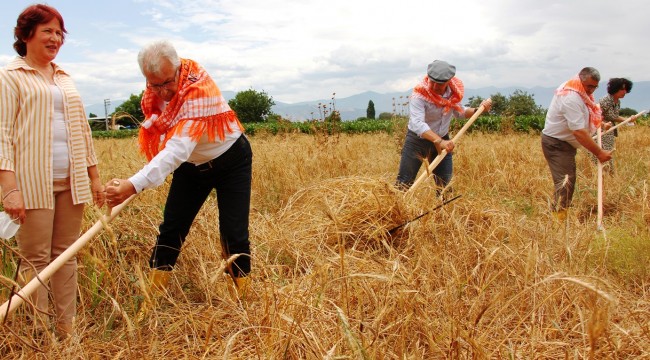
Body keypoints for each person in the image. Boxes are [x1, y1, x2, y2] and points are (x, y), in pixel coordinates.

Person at [104, 40, 253, 314]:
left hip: (231, 160)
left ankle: (243, 301)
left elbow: (176, 150)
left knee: (234, 234)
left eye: (166, 83)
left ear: (177, 68)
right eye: (154, 85)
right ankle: (150, 303)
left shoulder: (198, 90)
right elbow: (168, 141)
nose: (162, 91)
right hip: (191, 166)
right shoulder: (158, 89)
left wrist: (133, 184)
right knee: (171, 228)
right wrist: (135, 181)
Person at [0, 4, 105, 337]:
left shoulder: (64, 77)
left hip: (71, 183)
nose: (55, 38)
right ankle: (37, 335)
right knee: (36, 258)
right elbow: (1, 135)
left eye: (59, 33)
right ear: (26, 34)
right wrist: (9, 188)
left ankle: (66, 330)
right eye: (47, 31)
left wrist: (94, 178)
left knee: (67, 255)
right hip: (32, 183)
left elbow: (83, 131)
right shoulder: (10, 77)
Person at [396, 60, 492, 190]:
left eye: (440, 84)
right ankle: (396, 209)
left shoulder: (453, 93)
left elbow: (460, 112)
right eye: (432, 82)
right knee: (404, 182)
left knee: (444, 185)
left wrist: (477, 110)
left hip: (442, 140)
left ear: (449, 81)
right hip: (417, 141)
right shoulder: (419, 94)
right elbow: (417, 124)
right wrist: (439, 141)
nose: (435, 86)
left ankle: (443, 208)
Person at [541, 67, 612, 220]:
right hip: (556, 144)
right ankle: (558, 220)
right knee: (565, 182)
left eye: (595, 86)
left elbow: (585, 116)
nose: (592, 90)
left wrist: (600, 124)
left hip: (565, 144)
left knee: (568, 180)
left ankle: (561, 215)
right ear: (581, 80)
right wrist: (599, 153)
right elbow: (578, 132)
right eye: (589, 86)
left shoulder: (581, 92)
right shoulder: (571, 97)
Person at [589, 78, 636, 173]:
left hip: (609, 131)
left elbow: (614, 116)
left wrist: (628, 120)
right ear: (615, 89)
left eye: (626, 89)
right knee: (602, 155)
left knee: (608, 155)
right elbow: (595, 115)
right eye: (622, 89)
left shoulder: (617, 102)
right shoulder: (606, 101)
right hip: (600, 131)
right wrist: (604, 124)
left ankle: (608, 176)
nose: (624, 92)